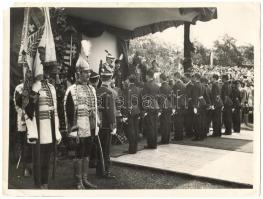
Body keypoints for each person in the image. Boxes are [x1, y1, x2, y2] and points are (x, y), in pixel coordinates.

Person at [64, 40, 98, 189]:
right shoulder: (71, 90)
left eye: (89, 72)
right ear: (78, 73)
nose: (88, 75)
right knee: (78, 154)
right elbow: (68, 111)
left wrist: (96, 122)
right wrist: (72, 129)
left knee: (87, 154)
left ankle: (85, 179)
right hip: (78, 128)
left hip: (89, 127)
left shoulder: (92, 89)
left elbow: (95, 108)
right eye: (85, 72)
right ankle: (78, 180)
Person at [96, 66, 117, 178]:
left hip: (97, 123)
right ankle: (105, 171)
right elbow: (110, 111)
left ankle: (99, 170)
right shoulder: (109, 92)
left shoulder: (96, 91)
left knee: (99, 148)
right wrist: (113, 125)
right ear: (109, 79)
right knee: (106, 149)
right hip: (106, 124)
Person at [14, 82, 32, 177]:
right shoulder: (19, 88)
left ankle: (32, 166)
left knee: (31, 144)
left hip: (33, 121)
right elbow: (17, 105)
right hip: (23, 121)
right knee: (24, 144)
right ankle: (26, 168)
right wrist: (25, 116)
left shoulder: (35, 87)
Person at [141, 69, 160, 149]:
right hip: (156, 106)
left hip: (149, 107)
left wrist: (144, 109)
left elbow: (145, 98)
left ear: (148, 76)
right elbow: (158, 97)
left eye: (146, 75)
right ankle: (154, 143)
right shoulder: (156, 85)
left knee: (150, 126)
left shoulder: (146, 85)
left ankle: (151, 144)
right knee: (155, 126)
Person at [122, 75, 141, 153]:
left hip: (130, 111)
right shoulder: (138, 89)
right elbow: (140, 101)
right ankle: (135, 148)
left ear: (129, 81)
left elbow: (126, 102)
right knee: (136, 129)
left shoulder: (127, 89)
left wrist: (125, 114)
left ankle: (131, 149)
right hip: (137, 111)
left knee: (131, 130)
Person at [158, 73, 172, 144]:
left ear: (161, 78)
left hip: (164, 107)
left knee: (163, 124)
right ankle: (167, 139)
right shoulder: (169, 86)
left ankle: (164, 140)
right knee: (168, 123)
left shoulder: (161, 87)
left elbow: (161, 99)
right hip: (169, 106)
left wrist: (160, 109)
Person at [172, 72, 185, 141]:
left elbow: (174, 96)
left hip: (177, 104)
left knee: (177, 121)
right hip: (182, 104)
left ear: (176, 77)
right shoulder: (183, 84)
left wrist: (174, 107)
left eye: (174, 77)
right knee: (181, 121)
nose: (173, 78)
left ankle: (177, 136)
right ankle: (180, 136)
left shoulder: (176, 85)